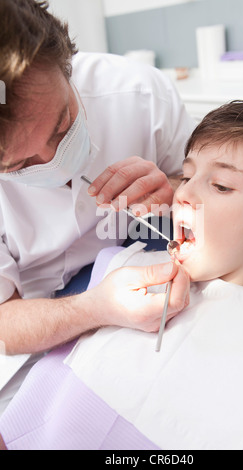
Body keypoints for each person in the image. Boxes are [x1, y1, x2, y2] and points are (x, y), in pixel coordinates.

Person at [0, 100, 243, 450]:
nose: (183, 193)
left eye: (220, 186)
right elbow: (31, 412)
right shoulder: (119, 270)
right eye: (186, 176)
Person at [0, 0, 193, 388]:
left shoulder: (141, 94)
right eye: (18, 165)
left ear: (66, 63)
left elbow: (205, 184)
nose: (54, 160)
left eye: (62, 126)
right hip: (35, 332)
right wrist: (94, 308)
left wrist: (174, 191)